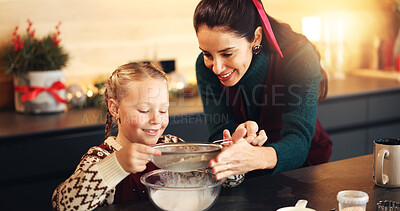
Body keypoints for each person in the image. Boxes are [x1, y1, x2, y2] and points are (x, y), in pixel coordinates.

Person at [193, 0, 332, 180]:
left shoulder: (299, 56)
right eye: (207, 54)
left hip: (304, 169)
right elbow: (219, 134)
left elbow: (299, 142)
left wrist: (256, 157)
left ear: (256, 38)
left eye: (227, 54)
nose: (217, 68)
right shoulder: (205, 68)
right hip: (246, 170)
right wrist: (233, 142)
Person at [52, 62, 184, 210]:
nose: (156, 120)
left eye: (163, 111)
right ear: (115, 109)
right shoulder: (99, 157)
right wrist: (117, 164)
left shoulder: (172, 145)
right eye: (144, 110)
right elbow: (63, 205)